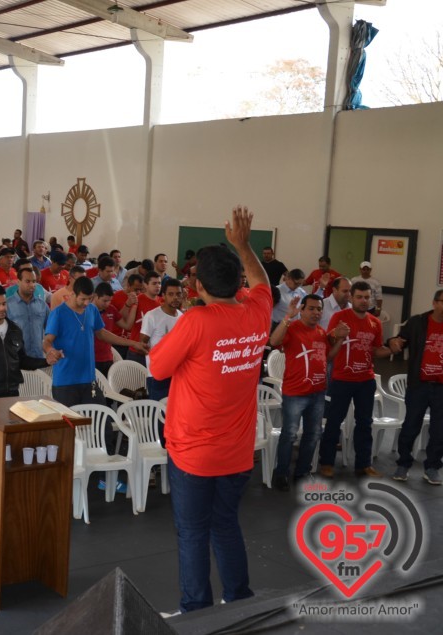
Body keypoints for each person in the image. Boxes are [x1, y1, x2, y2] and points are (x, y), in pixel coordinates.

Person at [148, 206, 272, 614]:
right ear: (238, 283)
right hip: (237, 454)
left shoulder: (196, 321)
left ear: (198, 285)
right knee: (226, 526)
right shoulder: (258, 311)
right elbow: (262, 281)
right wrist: (243, 245)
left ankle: (196, 611)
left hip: (194, 454)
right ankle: (239, 601)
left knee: (192, 533)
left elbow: (157, 367)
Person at [268, 294, 347, 491]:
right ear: (301, 310)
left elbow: (327, 357)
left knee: (312, 435)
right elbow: (274, 340)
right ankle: (281, 473)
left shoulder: (321, 332)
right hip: (295, 393)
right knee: (290, 435)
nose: (316, 312)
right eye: (311, 308)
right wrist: (288, 317)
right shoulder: (292, 328)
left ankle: (302, 472)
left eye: (319, 309)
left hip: (317, 393)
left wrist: (340, 340)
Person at [317, 280, 392, 478]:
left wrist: (392, 348)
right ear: (351, 297)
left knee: (365, 423)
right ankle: (326, 462)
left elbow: (377, 350)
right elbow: (327, 343)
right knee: (334, 422)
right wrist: (335, 334)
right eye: (359, 297)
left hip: (366, 380)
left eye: (367, 297)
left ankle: (363, 465)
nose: (363, 301)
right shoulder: (340, 317)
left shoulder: (374, 322)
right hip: (342, 378)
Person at [43, 276, 146, 408]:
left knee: (102, 422)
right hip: (65, 381)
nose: (86, 303)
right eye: (83, 299)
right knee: (70, 426)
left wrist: (132, 343)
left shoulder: (92, 310)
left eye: (90, 298)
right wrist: (51, 351)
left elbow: (102, 333)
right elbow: (47, 341)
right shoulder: (58, 313)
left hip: (89, 379)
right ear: (72, 294)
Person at [388, 290, 443, 483]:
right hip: (419, 384)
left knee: (439, 430)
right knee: (411, 425)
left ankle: (433, 467)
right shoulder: (418, 322)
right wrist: (393, 343)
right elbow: (399, 341)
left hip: (441, 387)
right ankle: (403, 464)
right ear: (435, 303)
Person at [141, 278, 184, 400]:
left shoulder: (182, 317)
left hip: (177, 374)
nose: (175, 297)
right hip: (157, 374)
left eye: (178, 294)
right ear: (163, 295)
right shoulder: (152, 316)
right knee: (158, 415)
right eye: (171, 294)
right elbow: (142, 344)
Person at [120, 270, 161, 366]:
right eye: (154, 283)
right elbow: (126, 323)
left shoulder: (162, 303)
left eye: (159, 283)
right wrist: (128, 304)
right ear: (145, 285)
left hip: (155, 352)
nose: (157, 286)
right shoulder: (137, 300)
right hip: (136, 352)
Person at [7, 267, 49, 360]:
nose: (32, 285)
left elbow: (50, 330)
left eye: (34, 281)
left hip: (38, 357)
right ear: (18, 282)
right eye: (28, 281)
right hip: (16, 359)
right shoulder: (8, 305)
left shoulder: (42, 305)